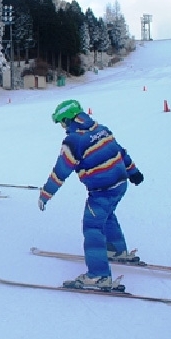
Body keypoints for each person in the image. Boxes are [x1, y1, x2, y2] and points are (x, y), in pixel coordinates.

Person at [38, 99, 144, 290]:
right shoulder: (100, 129)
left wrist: (46, 194)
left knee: (92, 227)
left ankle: (98, 275)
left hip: (102, 190)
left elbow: (61, 170)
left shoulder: (74, 140)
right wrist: (133, 171)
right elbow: (120, 151)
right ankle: (116, 250)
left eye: (62, 122)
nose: (62, 127)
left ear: (69, 120)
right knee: (108, 215)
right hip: (120, 184)